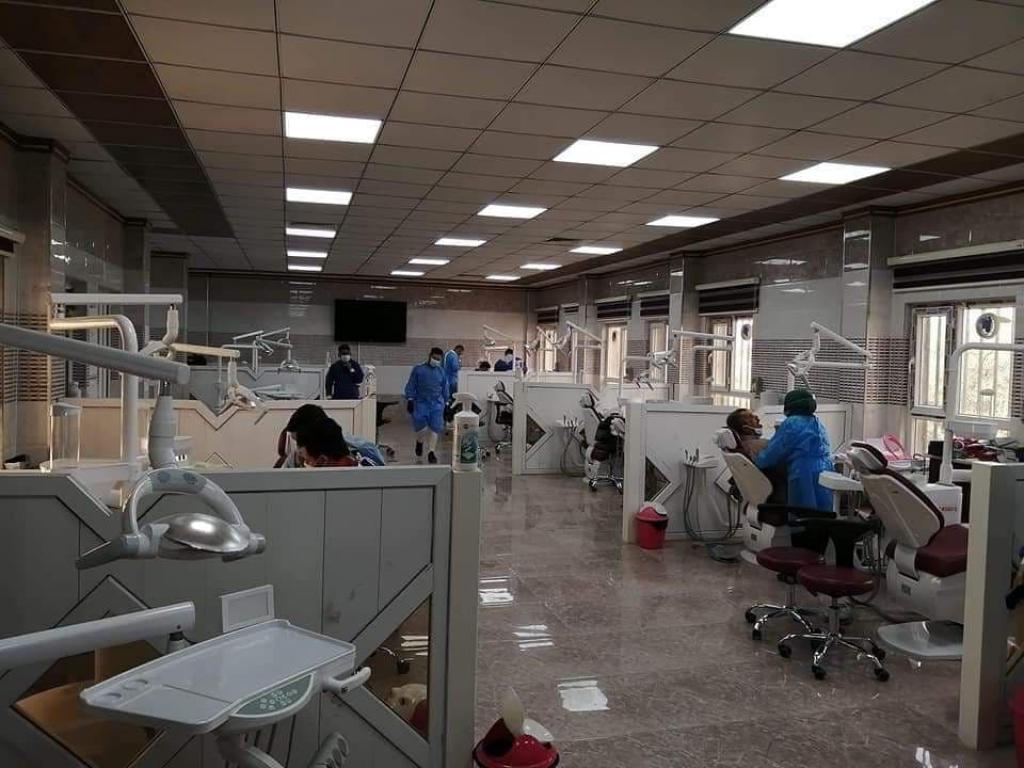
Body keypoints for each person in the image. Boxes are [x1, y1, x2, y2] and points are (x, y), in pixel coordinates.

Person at [756, 389, 834, 511]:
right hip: (825, 470)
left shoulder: (791, 423)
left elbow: (772, 454)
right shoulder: (817, 422)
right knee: (823, 515)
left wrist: (757, 460)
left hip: (803, 472)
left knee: (802, 513)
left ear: (789, 406)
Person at [405, 347, 450, 464]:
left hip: (436, 404)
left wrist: (447, 403)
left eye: (438, 359)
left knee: (436, 428)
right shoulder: (418, 369)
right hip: (421, 402)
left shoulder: (441, 372)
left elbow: (445, 388)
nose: (436, 360)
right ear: (429, 356)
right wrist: (410, 399)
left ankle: (431, 452)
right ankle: (419, 442)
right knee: (421, 428)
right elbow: (411, 384)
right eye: (434, 358)